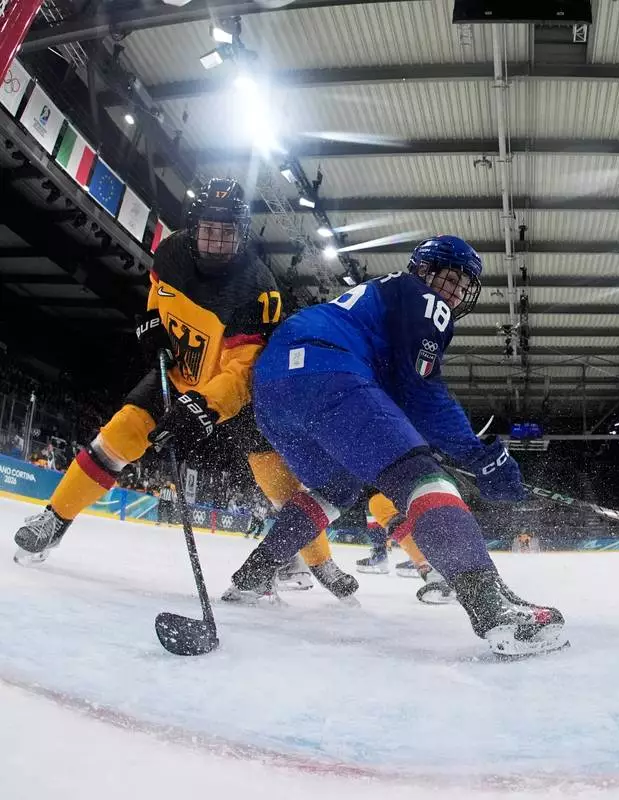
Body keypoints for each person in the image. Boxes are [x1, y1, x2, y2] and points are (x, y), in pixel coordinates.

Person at [11, 179, 357, 603]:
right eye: (209, 228)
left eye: (226, 231)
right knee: (119, 434)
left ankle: (317, 562)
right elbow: (158, 297)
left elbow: (242, 371)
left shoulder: (256, 287)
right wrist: (153, 325)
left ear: (242, 233)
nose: (216, 240)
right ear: (194, 227)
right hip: (177, 373)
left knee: (279, 486)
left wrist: (204, 406)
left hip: (244, 398)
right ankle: (53, 521)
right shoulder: (171, 251)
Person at [222, 235, 566, 657]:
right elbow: (422, 394)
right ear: (423, 270)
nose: (455, 291)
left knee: (338, 489)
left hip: (273, 394)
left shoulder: (384, 296)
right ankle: (492, 609)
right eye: (451, 277)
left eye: (463, 284)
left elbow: (399, 395)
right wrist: (480, 454)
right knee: (421, 477)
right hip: (326, 373)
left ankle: (254, 573)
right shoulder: (424, 300)